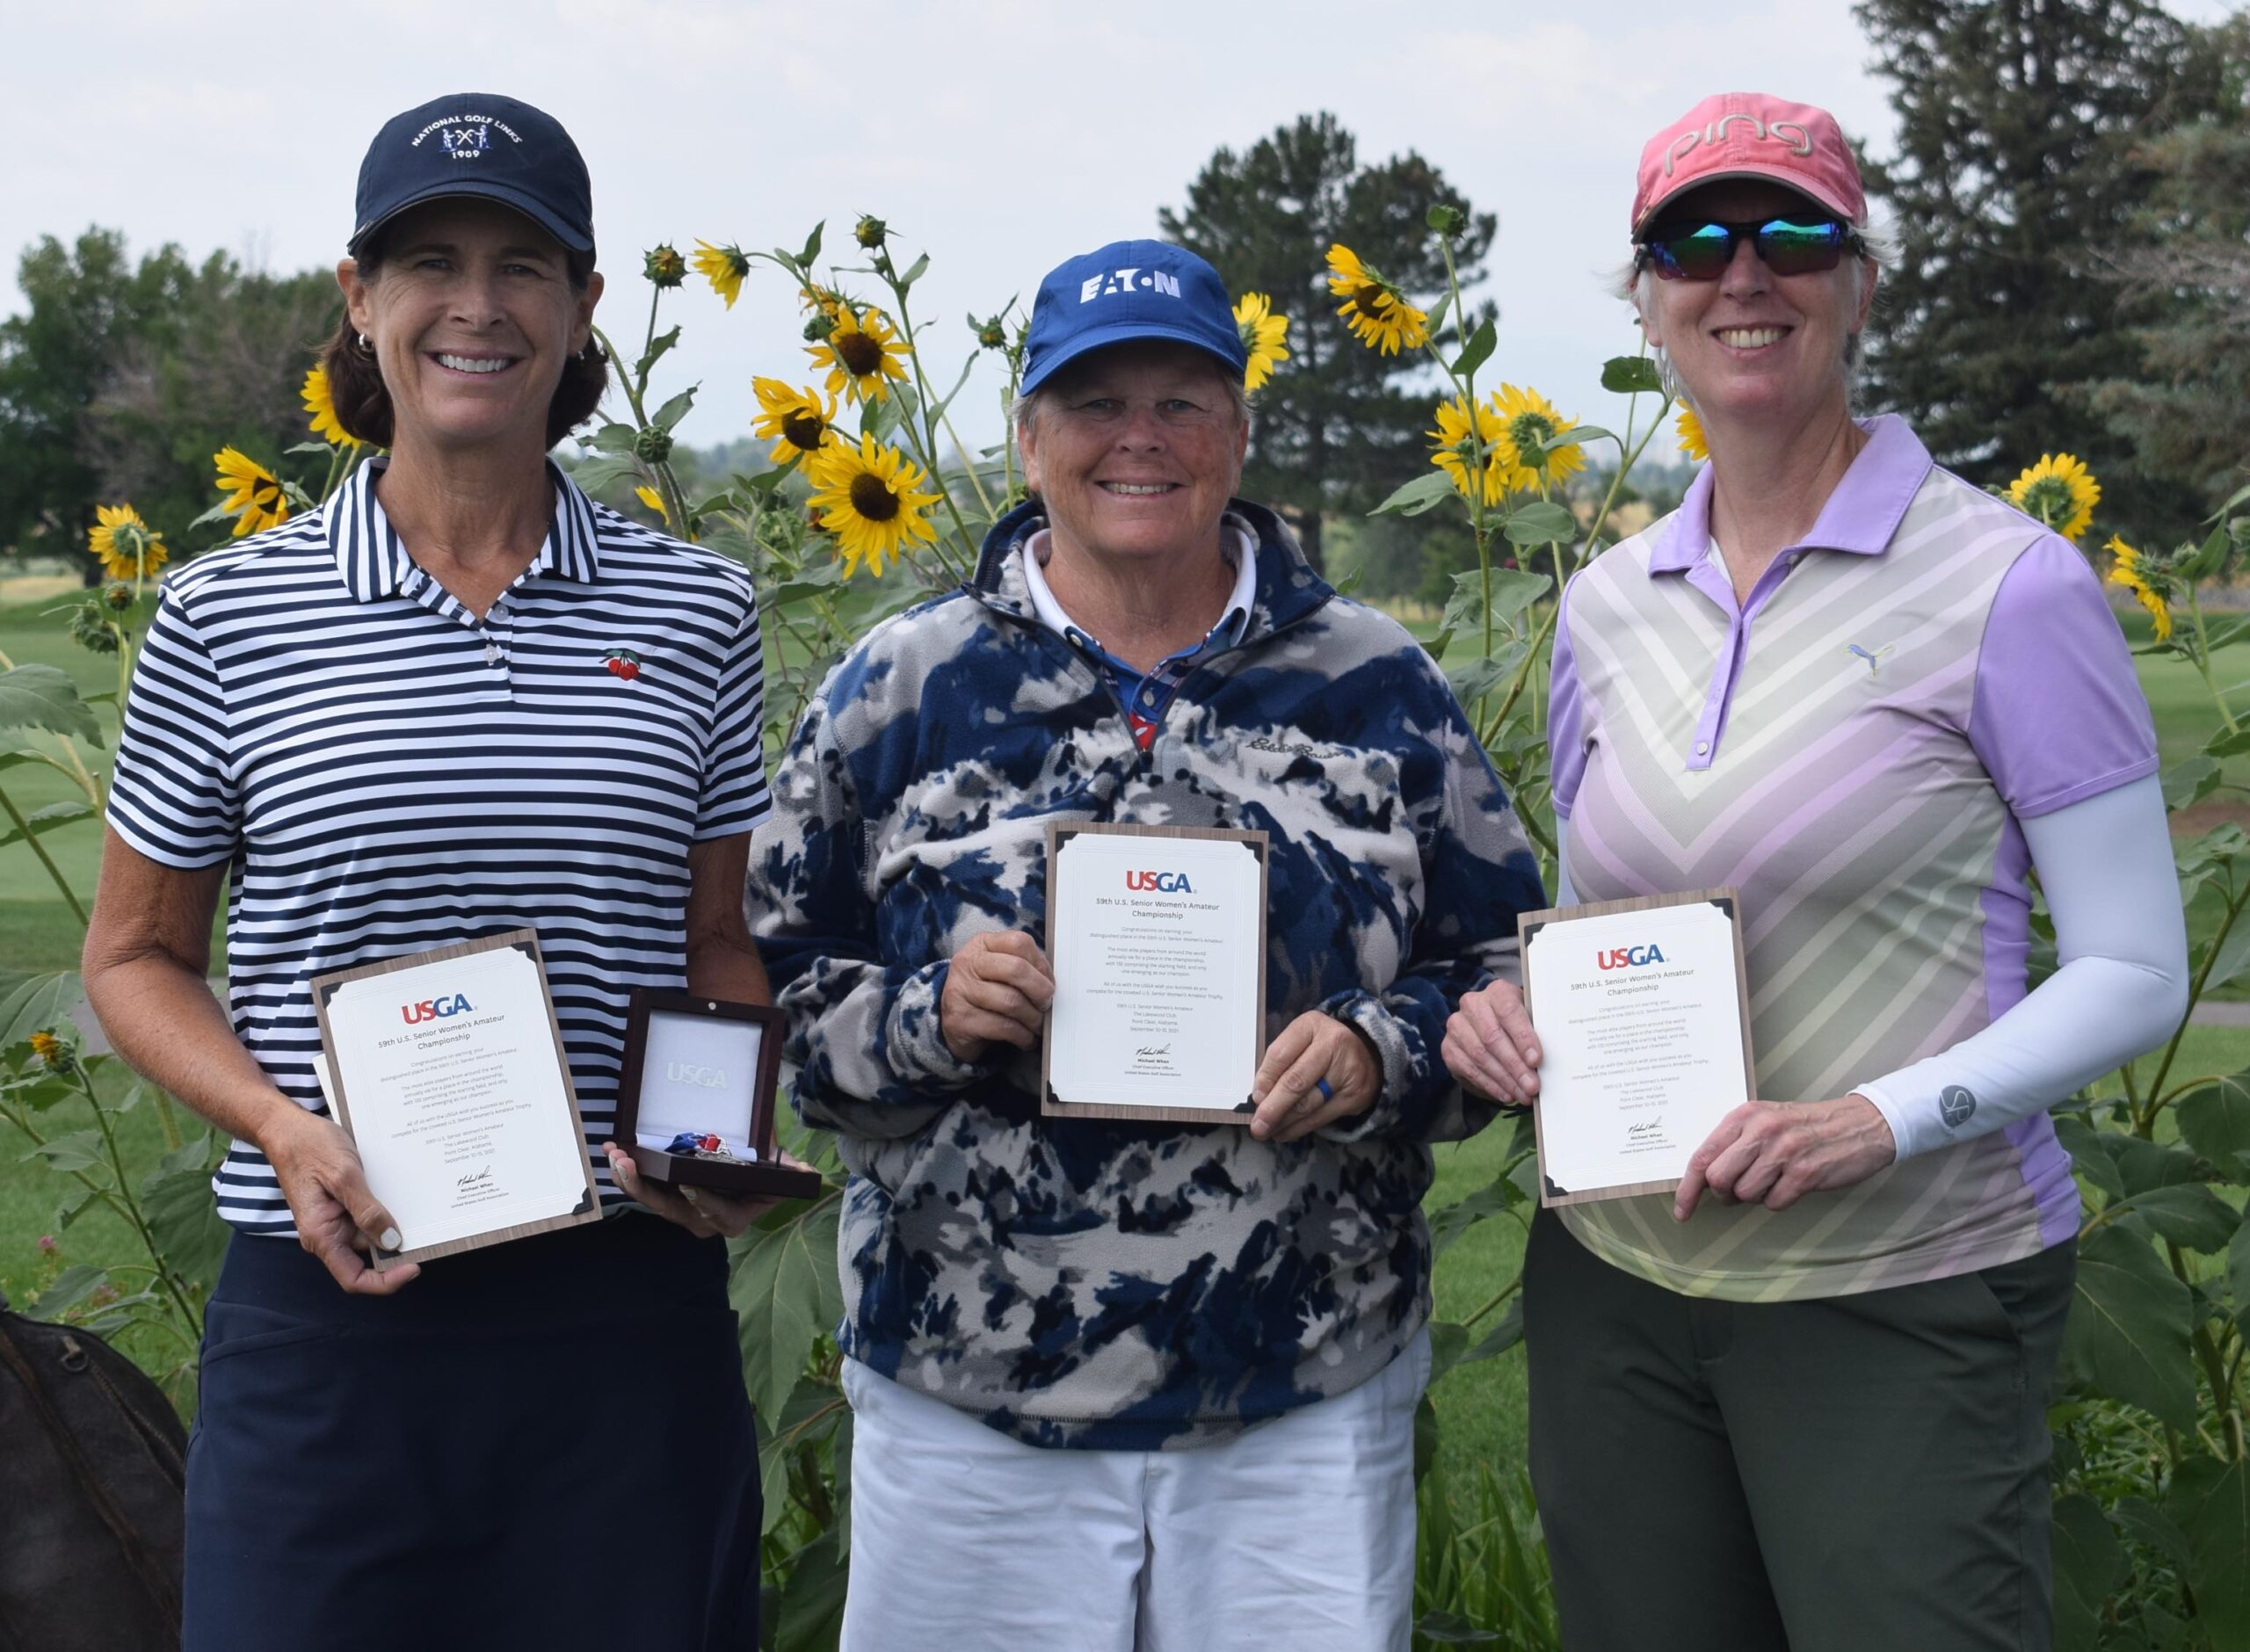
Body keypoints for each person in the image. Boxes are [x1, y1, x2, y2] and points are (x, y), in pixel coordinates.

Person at [1442, 91, 2188, 1652]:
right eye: (1693, 243)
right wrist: (1509, 1008)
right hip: (1622, 1286)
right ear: (1648, 299)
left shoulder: (2010, 583)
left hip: (1903, 1285)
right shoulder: (1605, 605)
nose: (1744, 276)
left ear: (1859, 281)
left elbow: (2135, 968)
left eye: (1792, 235)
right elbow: (1601, 924)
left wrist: (1878, 1120)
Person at [749, 237, 1544, 1650]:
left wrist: (1381, 1051)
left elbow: (1496, 969)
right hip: (968, 1396)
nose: (1139, 440)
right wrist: (929, 1014)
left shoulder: (1376, 683)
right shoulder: (899, 687)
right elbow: (781, 996)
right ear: (1028, 436)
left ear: (1238, 432)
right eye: (1094, 403)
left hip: (1301, 1393)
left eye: (1181, 402)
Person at [82, 94, 780, 1652]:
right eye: (430, 263)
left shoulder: (696, 612)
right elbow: (132, 958)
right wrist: (280, 1125)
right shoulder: (223, 617)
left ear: (586, 305)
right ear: (360, 299)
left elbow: (716, 935)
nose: (477, 306)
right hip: (331, 1310)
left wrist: (717, 1133)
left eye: (524, 264)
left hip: (622, 1311)